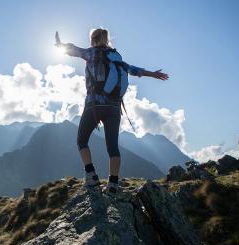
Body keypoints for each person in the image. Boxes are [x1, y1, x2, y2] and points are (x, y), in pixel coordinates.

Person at [55, 28, 168, 196]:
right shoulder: (117, 58)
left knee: (82, 140)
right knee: (113, 148)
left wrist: (60, 45)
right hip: (114, 108)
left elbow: (74, 50)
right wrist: (153, 74)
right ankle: (113, 185)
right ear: (107, 39)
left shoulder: (91, 53)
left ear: (93, 39)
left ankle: (91, 176)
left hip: (94, 105)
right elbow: (134, 70)